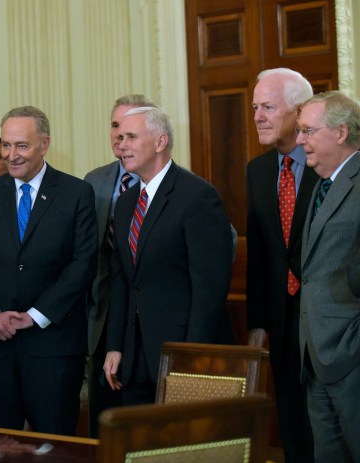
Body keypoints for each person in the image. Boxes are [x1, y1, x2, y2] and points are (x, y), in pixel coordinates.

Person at [0, 106, 97, 436]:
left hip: (53, 345)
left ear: (44, 144)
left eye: (22, 146)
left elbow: (83, 264)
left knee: (56, 447)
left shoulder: (76, 193)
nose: (11, 155)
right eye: (6, 146)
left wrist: (36, 315)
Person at [103, 106, 233, 405]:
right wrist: (115, 346)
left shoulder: (198, 196)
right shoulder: (125, 203)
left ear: (160, 142)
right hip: (134, 358)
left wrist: (189, 358)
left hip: (181, 353)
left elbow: (208, 289)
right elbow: (122, 279)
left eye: (131, 136)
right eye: (119, 136)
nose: (121, 145)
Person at [246, 68, 316, 462]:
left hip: (330, 321)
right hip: (281, 319)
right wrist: (258, 323)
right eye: (256, 107)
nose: (258, 116)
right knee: (290, 422)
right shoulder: (257, 171)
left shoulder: (330, 165)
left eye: (268, 107)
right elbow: (259, 253)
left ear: (299, 111)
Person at [296, 90, 360, 462]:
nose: (300, 140)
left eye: (308, 131)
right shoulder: (323, 184)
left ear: (339, 132)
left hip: (350, 354)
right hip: (316, 357)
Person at [83, 94, 152, 436]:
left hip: (146, 318)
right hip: (101, 316)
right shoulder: (93, 181)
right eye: (114, 126)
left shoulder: (170, 180)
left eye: (127, 128)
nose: (119, 136)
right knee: (104, 420)